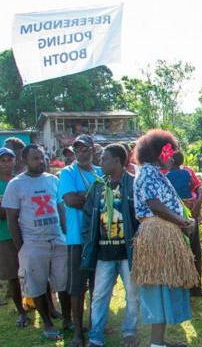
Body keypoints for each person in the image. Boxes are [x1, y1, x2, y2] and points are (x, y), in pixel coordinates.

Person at [131, 129, 199, 347]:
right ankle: (156, 343)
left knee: (163, 285)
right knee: (158, 286)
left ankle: (158, 340)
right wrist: (181, 221)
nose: (172, 158)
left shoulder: (152, 172)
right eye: (169, 154)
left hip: (162, 233)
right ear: (159, 153)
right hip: (157, 234)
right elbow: (154, 205)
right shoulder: (148, 173)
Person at [2, 145, 68, 341]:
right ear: (25, 161)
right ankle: (47, 324)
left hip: (57, 240)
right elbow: (11, 218)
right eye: (36, 158)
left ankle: (67, 320)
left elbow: (60, 207)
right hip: (32, 243)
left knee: (63, 283)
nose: (42, 161)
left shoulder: (52, 180)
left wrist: (64, 234)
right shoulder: (16, 185)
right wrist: (21, 246)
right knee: (36, 285)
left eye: (43, 157)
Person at [81, 144, 139, 347]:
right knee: (99, 296)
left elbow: (141, 217)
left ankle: (130, 333)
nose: (100, 162)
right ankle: (96, 337)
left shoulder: (133, 185)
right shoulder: (97, 187)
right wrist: (88, 240)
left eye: (104, 159)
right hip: (104, 253)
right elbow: (88, 216)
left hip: (128, 252)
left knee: (133, 295)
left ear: (117, 161)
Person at [58, 134, 102, 346]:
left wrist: (86, 195)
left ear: (93, 149)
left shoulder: (101, 172)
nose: (82, 153)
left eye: (85, 149)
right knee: (77, 286)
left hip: (100, 237)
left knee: (98, 284)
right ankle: (77, 330)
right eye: (78, 149)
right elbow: (71, 200)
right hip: (77, 239)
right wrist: (94, 197)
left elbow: (110, 198)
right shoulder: (66, 173)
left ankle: (96, 324)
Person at [164, 151, 202, 297]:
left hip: (180, 215)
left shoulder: (168, 174)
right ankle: (182, 285)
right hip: (180, 215)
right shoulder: (177, 173)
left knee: (193, 250)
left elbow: (200, 188)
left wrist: (197, 205)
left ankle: (194, 286)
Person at [0, 147, 29, 328]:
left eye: (9, 159)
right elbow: (3, 215)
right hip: (5, 236)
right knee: (13, 275)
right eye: (2, 160)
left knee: (36, 271)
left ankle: (48, 307)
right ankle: (21, 312)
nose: (6, 163)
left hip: (26, 232)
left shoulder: (20, 181)